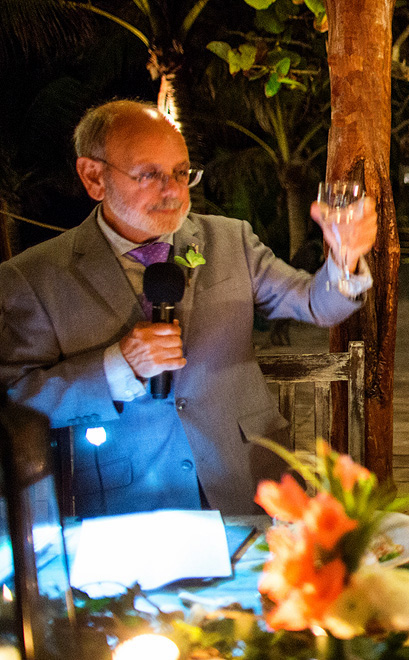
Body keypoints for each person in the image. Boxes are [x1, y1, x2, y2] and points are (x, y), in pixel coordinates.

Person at [0, 100, 376, 516]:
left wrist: (343, 259)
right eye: (150, 175)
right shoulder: (33, 276)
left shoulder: (230, 239)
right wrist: (116, 365)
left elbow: (313, 303)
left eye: (182, 173)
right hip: (124, 501)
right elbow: (18, 398)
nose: (175, 192)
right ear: (94, 176)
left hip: (249, 482)